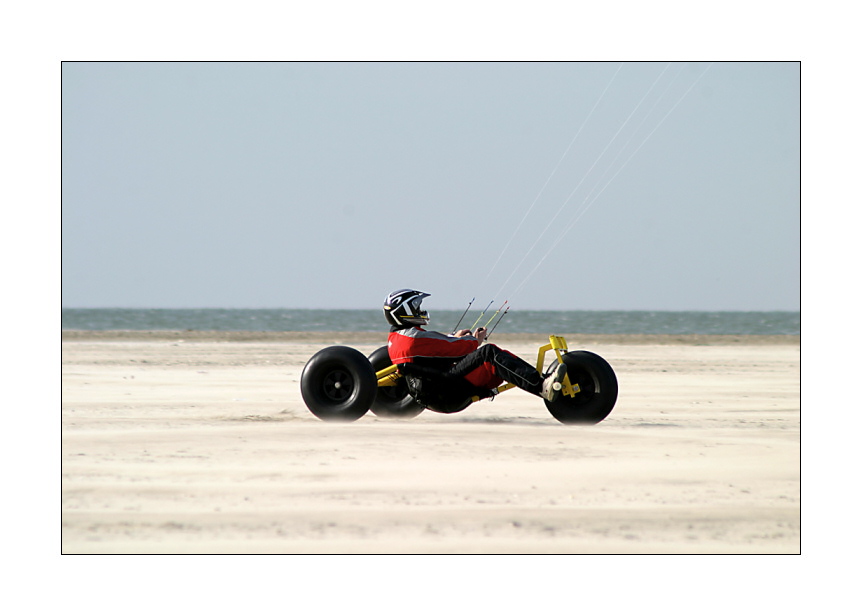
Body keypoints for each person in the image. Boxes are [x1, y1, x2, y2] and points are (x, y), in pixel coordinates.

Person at [384, 289, 567, 413]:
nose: (421, 311)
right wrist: (474, 340)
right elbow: (457, 348)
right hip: (447, 393)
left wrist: (455, 336)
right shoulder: (414, 337)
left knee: (485, 354)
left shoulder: (396, 338)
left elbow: (435, 348)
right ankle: (541, 386)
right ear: (405, 311)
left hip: (432, 393)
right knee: (489, 352)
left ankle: (537, 380)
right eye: (416, 307)